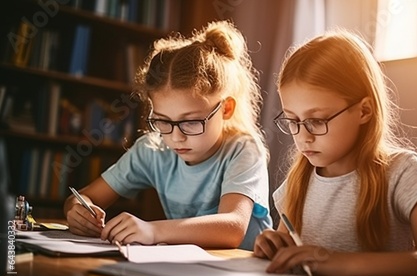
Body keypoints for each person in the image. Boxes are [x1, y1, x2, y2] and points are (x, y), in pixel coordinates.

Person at [254, 29, 417, 276]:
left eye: (317, 121)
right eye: (293, 120)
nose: (302, 137)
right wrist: (274, 248)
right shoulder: (298, 182)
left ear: (364, 110)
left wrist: (336, 262)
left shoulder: (402, 173)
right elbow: (292, 257)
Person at [64, 20, 272, 250]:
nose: (176, 137)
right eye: (162, 121)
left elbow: (232, 228)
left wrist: (153, 230)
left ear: (225, 109)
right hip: (189, 272)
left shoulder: (243, 151)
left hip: (243, 274)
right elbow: (83, 197)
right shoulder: (152, 149)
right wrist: (77, 211)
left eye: (191, 122)